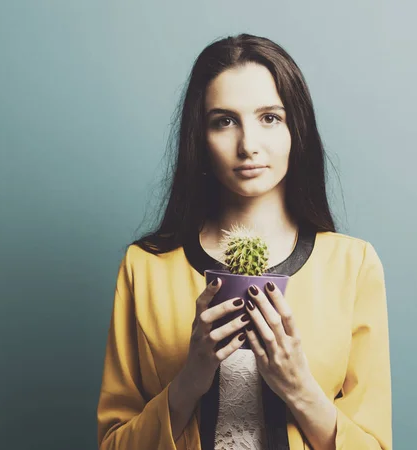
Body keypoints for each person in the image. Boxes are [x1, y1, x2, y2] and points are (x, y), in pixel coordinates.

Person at [96, 33, 392, 450]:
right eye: (224, 121)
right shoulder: (144, 267)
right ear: (201, 137)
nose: (248, 145)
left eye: (270, 117)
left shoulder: (353, 265)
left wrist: (299, 388)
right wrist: (188, 383)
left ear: (296, 128)